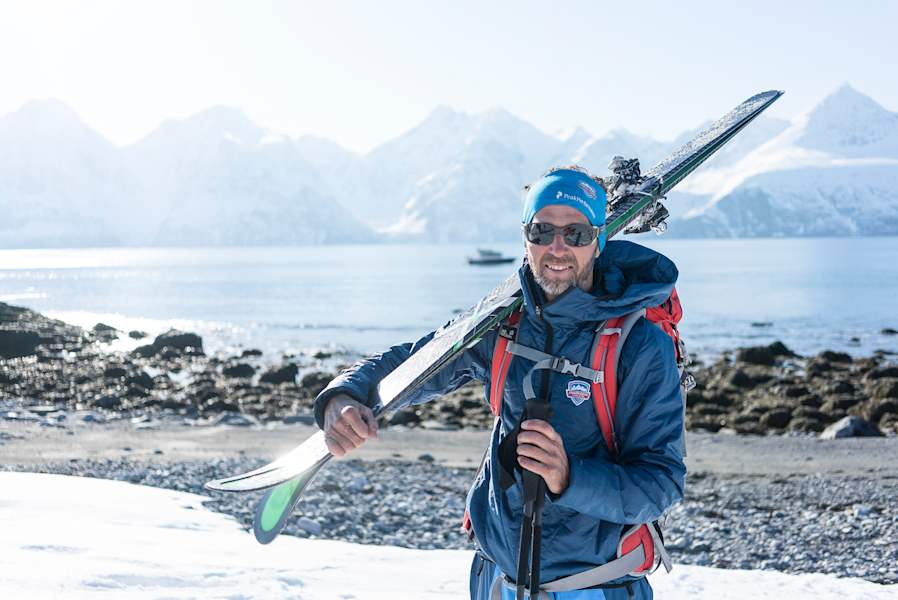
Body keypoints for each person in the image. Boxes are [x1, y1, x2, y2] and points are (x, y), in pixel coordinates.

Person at [313, 166, 686, 599]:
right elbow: (418, 361)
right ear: (525, 237)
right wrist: (344, 394)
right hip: (496, 582)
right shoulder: (503, 324)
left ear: (599, 240)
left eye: (577, 233)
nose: (558, 247)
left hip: (592, 586)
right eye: (542, 230)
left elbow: (661, 483)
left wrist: (569, 477)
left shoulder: (638, 346)